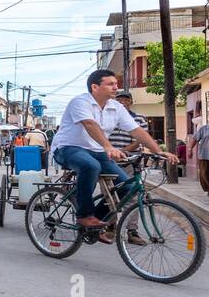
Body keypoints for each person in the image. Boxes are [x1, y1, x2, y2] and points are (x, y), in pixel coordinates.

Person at [50, 69, 177, 244]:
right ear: (95, 87)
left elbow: (137, 130)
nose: (116, 88)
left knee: (127, 187)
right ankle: (84, 216)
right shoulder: (80, 102)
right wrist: (108, 147)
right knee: (90, 166)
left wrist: (158, 151)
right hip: (68, 148)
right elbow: (89, 124)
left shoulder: (116, 107)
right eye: (110, 84)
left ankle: (95, 221)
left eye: (116, 84)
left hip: (97, 151)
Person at [107, 90, 148, 155]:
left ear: (131, 103)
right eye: (119, 100)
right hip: (109, 156)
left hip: (131, 158)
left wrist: (121, 152)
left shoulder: (140, 118)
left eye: (126, 100)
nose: (122, 102)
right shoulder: (106, 117)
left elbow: (140, 140)